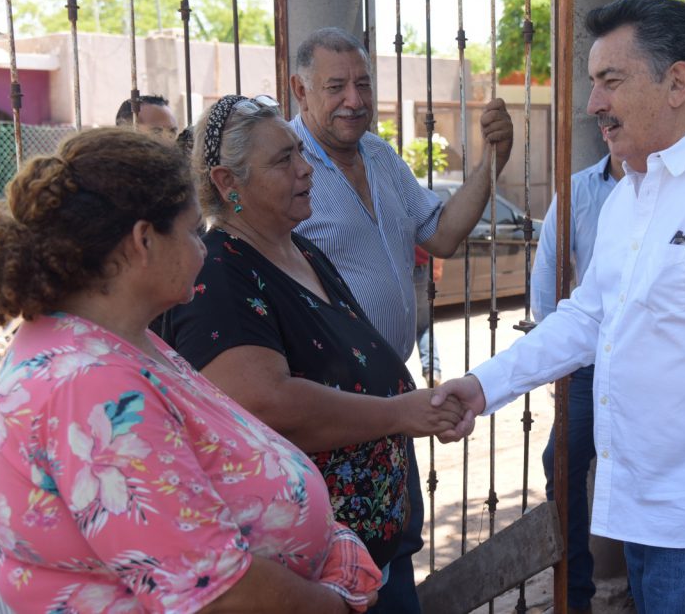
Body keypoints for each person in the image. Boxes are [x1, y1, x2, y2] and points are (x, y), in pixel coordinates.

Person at [433, 0, 685, 614]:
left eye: (609, 82)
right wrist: (483, 387)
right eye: (594, 84)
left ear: (677, 82)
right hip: (648, 513)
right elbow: (587, 318)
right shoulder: (631, 194)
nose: (594, 105)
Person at [0, 127, 381, 613]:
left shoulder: (117, 339)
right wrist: (335, 604)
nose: (203, 248)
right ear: (144, 241)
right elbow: (217, 596)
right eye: (190, 231)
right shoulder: (89, 386)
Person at [165, 95, 465, 575]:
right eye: (285, 159)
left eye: (300, 153)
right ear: (228, 182)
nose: (307, 170)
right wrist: (396, 413)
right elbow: (265, 402)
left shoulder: (301, 250)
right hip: (312, 571)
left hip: (368, 549)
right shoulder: (221, 272)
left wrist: (414, 409)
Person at [287, 27, 514, 613]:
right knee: (338, 567)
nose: (354, 100)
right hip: (328, 414)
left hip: (389, 400)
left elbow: (440, 235)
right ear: (300, 90)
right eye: (335, 87)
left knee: (392, 554)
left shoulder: (381, 155)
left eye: (362, 84)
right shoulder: (284, 167)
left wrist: (494, 162)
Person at [530, 146, 623, 614]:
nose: (603, 113)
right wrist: (557, 358)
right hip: (589, 360)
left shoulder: (683, 185)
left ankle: (645, 585)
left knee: (644, 465)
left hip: (652, 366)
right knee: (560, 463)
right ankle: (576, 595)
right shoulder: (580, 190)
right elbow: (548, 273)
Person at [414, 245, 443, 384]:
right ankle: (432, 370)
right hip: (420, 268)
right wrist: (437, 266)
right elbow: (439, 234)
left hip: (393, 269)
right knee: (423, 326)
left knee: (393, 324)